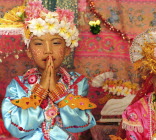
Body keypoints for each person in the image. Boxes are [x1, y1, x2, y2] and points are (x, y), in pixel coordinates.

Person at [0, 1, 96, 139]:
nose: (48, 50)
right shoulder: (17, 85)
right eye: (39, 43)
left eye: (56, 43)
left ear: (67, 49)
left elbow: (81, 123)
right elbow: (18, 129)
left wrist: (59, 93)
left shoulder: (77, 82)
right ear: (29, 51)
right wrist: (40, 90)